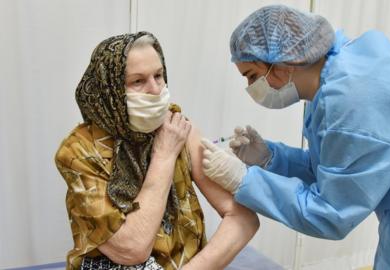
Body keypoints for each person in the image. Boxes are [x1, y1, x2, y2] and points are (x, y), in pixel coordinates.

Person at [200, 5, 390, 269]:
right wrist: (272, 158)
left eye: (253, 76)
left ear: (284, 64)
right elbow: (333, 167)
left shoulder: (353, 100)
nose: (251, 88)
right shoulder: (335, 74)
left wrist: (243, 180)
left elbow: (331, 213)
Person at [54, 32, 259, 270]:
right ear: (109, 88)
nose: (155, 89)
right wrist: (164, 156)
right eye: (137, 81)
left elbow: (243, 219)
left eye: (159, 76)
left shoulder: (176, 127)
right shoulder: (79, 151)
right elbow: (132, 249)